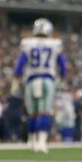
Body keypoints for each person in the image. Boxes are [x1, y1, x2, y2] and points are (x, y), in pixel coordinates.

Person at [14, 18, 67, 153]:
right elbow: (62, 65)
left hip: (31, 80)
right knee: (44, 112)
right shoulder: (55, 43)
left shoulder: (28, 43)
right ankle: (41, 142)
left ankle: (31, 141)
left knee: (32, 113)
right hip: (48, 80)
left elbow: (20, 65)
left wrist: (16, 79)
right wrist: (63, 78)